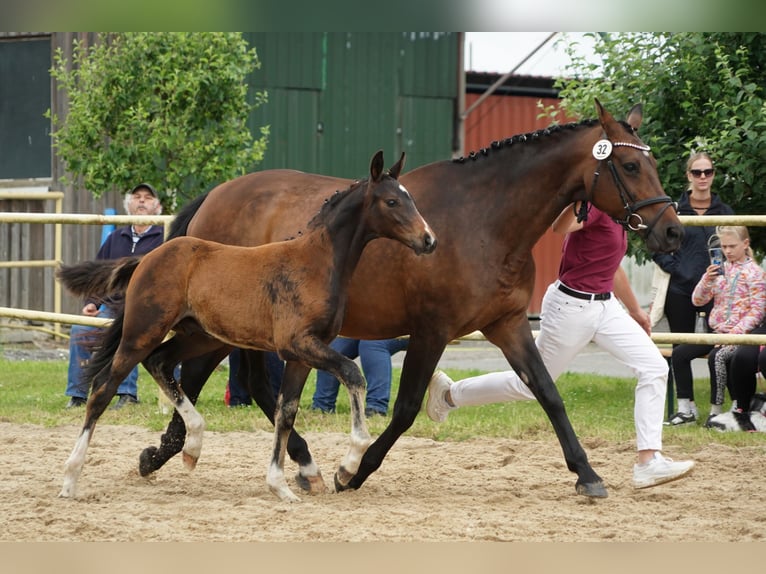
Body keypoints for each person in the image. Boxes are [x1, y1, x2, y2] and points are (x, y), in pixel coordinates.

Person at [426, 202, 695, 489]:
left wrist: (636, 311)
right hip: (572, 307)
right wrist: (578, 196)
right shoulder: (593, 205)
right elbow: (561, 226)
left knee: (654, 366)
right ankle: (450, 395)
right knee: (531, 386)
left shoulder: (620, 211)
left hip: (607, 307)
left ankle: (648, 461)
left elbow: (612, 268)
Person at [64, 183, 164, 410]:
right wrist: (91, 302)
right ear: (128, 205)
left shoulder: (163, 239)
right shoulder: (115, 238)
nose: (141, 201)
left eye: (148, 198)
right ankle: (77, 395)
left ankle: (127, 394)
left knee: (127, 332)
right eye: (137, 197)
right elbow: (99, 275)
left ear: (157, 206)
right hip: (110, 305)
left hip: (147, 308)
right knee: (79, 330)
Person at [652, 152, 734, 420]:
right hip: (681, 291)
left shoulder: (724, 212)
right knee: (681, 348)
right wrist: (679, 270)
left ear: (713, 174)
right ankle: (686, 407)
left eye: (707, 172)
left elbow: (735, 248)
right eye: (697, 172)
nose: (702, 177)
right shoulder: (674, 210)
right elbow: (656, 245)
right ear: (688, 175)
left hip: (717, 294)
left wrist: (720, 276)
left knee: (719, 348)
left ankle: (719, 409)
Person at [669, 226, 766, 427]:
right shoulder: (719, 270)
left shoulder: (755, 273)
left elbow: (758, 311)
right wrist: (707, 279)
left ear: (745, 244)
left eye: (732, 246)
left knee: (718, 357)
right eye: (723, 247)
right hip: (716, 332)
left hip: (740, 335)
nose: (727, 251)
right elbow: (697, 300)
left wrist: (734, 334)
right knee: (679, 353)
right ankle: (686, 408)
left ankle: (719, 410)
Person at [311, 337, 409, 417]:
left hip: (405, 327)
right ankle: (321, 406)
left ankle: (376, 408)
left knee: (372, 344)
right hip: (370, 325)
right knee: (333, 347)